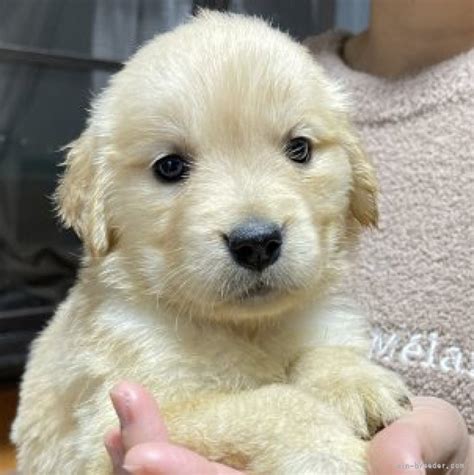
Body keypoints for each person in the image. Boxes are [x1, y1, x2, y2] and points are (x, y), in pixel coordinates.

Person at [104, 0, 473, 473]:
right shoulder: (270, 64)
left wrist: (460, 459)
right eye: (172, 168)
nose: (253, 228)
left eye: (297, 150)